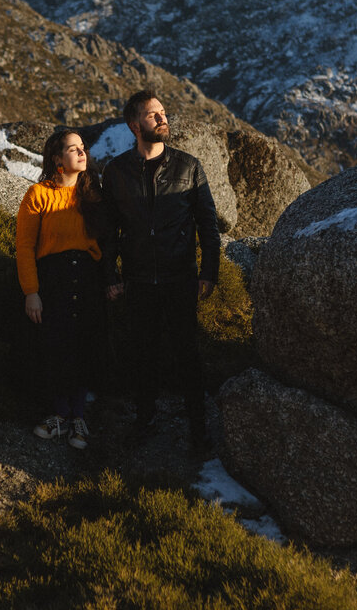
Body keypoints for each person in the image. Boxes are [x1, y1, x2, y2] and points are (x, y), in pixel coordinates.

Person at [101, 90, 219, 450]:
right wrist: (111, 276)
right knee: (143, 355)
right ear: (135, 125)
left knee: (187, 354)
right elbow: (108, 232)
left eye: (164, 113)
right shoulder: (117, 171)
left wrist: (209, 272)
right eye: (154, 115)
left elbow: (207, 225)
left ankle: (198, 428)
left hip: (180, 277)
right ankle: (144, 420)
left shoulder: (189, 166)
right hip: (139, 281)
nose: (163, 119)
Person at [16, 130, 105, 449]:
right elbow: (24, 246)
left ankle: (79, 416)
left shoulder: (93, 195)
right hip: (52, 279)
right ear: (57, 158)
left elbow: (106, 244)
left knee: (84, 344)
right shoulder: (38, 194)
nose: (82, 153)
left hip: (88, 277)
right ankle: (60, 414)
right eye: (73, 149)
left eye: (83, 148)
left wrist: (111, 281)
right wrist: (31, 291)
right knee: (54, 345)